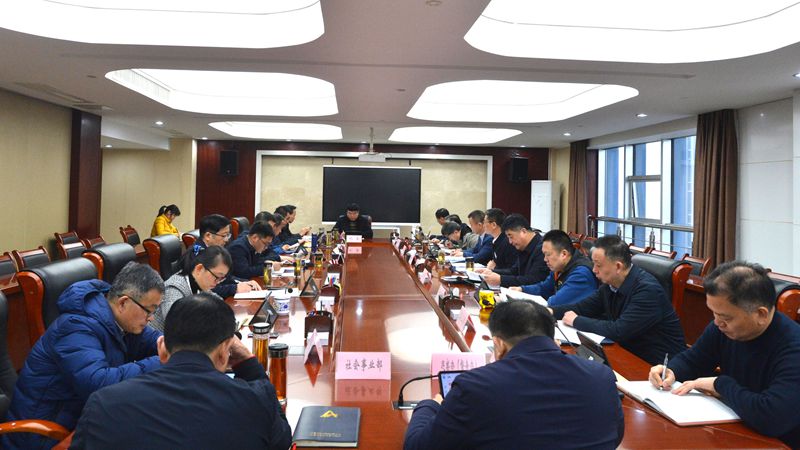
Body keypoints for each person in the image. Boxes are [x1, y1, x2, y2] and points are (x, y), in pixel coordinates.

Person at [71, 292, 293, 450]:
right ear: (225, 351)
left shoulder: (102, 402)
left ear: (162, 349)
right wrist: (248, 363)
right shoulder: (255, 400)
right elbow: (282, 442)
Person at [403, 300, 624, 449]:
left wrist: (429, 405)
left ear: (498, 344)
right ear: (552, 337)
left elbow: (417, 446)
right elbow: (615, 436)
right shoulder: (602, 376)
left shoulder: (475, 386)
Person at [3, 263, 164, 450]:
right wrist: (162, 359)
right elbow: (99, 384)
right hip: (44, 437)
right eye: (149, 310)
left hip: (85, 421)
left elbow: (155, 341)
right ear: (123, 303)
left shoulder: (120, 320)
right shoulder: (75, 327)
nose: (151, 318)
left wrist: (177, 346)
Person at [648, 261, 800, 448]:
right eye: (714, 313)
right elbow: (693, 360)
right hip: (735, 428)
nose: (717, 323)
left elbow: (772, 418)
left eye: (725, 317)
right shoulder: (723, 328)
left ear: (761, 314)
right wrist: (671, 371)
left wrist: (719, 385)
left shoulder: (794, 347)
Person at [550, 235, 686, 365]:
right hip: (626, 354)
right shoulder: (610, 285)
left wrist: (576, 320)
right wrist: (549, 311)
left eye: (598, 265)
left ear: (618, 266)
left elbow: (619, 331)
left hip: (657, 366)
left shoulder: (648, 291)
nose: (594, 270)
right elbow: (582, 307)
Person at [150, 245, 232, 332]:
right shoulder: (174, 288)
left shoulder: (199, 283)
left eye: (221, 279)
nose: (217, 282)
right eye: (217, 277)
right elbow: (177, 325)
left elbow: (218, 302)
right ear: (199, 269)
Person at [510, 229, 597, 307]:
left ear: (564, 254)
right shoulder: (560, 267)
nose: (545, 259)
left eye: (548, 254)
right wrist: (521, 289)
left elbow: (555, 303)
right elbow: (545, 288)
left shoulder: (581, 274)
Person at [193, 214, 260, 297]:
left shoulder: (214, 250)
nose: (227, 240)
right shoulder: (197, 255)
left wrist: (244, 282)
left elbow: (225, 277)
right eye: (224, 235)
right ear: (208, 236)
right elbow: (207, 289)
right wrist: (235, 288)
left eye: (228, 235)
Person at [476, 214, 548, 287]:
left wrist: (501, 280)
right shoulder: (522, 246)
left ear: (523, 231)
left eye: (511, 236)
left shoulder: (543, 248)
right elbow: (514, 271)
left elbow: (533, 280)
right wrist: (491, 272)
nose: (510, 242)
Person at [482, 208, 516, 272]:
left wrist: (495, 268)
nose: (483, 225)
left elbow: (511, 269)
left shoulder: (507, 242)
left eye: (484, 222)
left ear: (494, 225)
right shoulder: (496, 240)